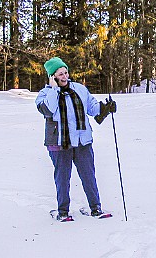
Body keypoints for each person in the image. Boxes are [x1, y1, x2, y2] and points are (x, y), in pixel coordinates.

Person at [35, 57, 116, 221]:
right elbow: (49, 110)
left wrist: (105, 107)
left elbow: (92, 109)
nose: (64, 76)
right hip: (59, 143)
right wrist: (54, 89)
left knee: (88, 175)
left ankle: (95, 208)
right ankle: (63, 212)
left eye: (65, 72)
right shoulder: (45, 94)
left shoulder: (79, 89)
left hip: (82, 142)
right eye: (60, 74)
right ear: (52, 77)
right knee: (62, 178)